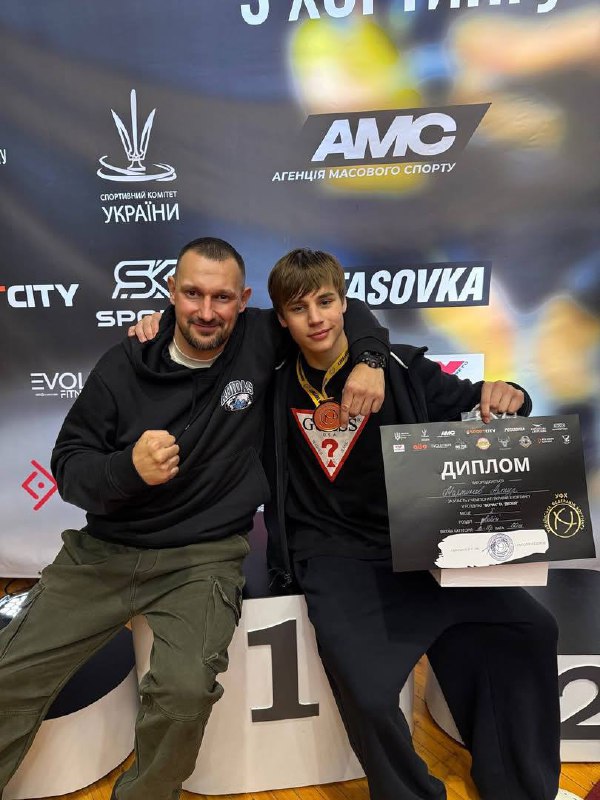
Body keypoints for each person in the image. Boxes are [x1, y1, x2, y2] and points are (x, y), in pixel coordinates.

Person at [0, 237, 388, 800]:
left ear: (244, 301)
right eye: (193, 294)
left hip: (203, 557)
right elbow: (68, 466)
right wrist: (126, 469)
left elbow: (349, 310)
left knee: (183, 693)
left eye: (222, 297)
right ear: (171, 293)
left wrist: (371, 362)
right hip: (104, 552)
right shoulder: (123, 365)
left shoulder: (261, 336)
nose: (207, 311)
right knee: (10, 677)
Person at [263, 248, 564, 800]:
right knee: (370, 694)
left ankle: (520, 787)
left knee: (530, 629)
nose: (316, 318)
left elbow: (480, 402)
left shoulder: (399, 367)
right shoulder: (271, 376)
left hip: (424, 542)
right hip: (335, 554)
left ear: (344, 303)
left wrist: (510, 395)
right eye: (299, 308)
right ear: (281, 319)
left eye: (326, 302)